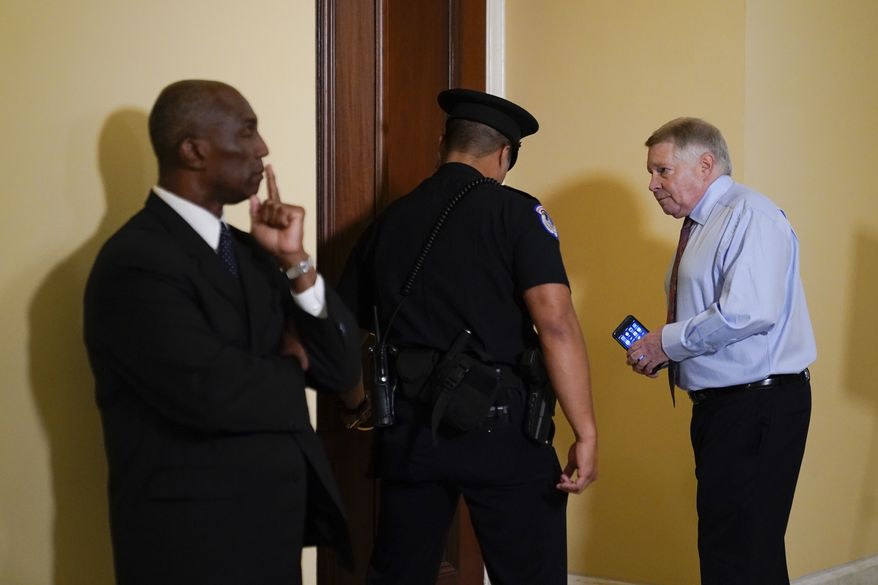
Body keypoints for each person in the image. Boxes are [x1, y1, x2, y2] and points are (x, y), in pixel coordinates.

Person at [83, 79, 362, 585]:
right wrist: (289, 365)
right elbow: (209, 390)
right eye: (248, 131)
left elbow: (341, 366)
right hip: (188, 541)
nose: (263, 149)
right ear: (193, 150)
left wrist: (296, 263)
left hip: (271, 532)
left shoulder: (256, 253)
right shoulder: (136, 261)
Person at [338, 88, 598, 585]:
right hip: (502, 427)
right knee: (530, 574)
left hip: (409, 428)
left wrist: (356, 405)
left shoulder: (388, 222)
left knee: (399, 573)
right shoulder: (517, 213)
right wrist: (584, 431)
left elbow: (346, 328)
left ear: (444, 143)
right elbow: (556, 321)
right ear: (504, 154)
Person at [626, 117, 816, 584]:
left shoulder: (747, 213)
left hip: (756, 405)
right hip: (727, 408)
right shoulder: (704, 224)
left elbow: (747, 312)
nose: (651, 184)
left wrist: (665, 343)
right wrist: (662, 350)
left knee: (738, 550)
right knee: (743, 548)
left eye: (662, 171)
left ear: (705, 164)